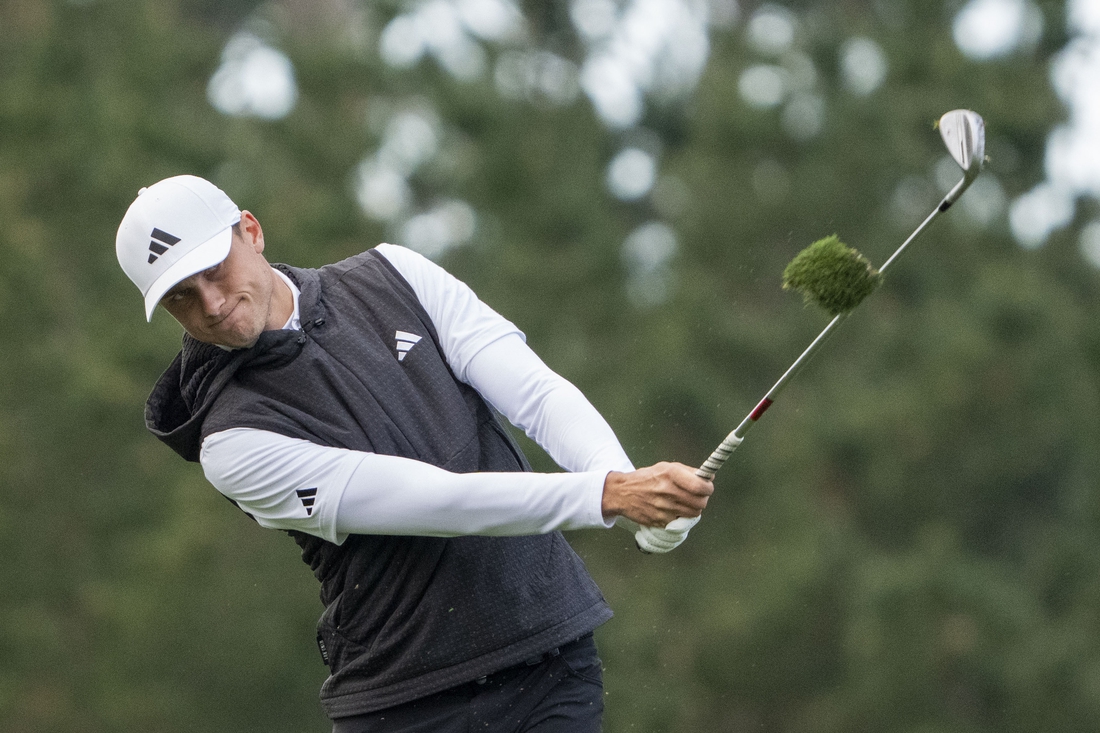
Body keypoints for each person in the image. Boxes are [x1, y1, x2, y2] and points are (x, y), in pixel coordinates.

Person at [116, 175, 713, 732]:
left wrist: (630, 482)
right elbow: (439, 502)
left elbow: (535, 394)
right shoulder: (231, 440)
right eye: (181, 298)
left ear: (251, 231)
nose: (211, 305)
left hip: (548, 657)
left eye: (213, 271)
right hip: (405, 702)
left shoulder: (394, 275)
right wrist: (610, 496)